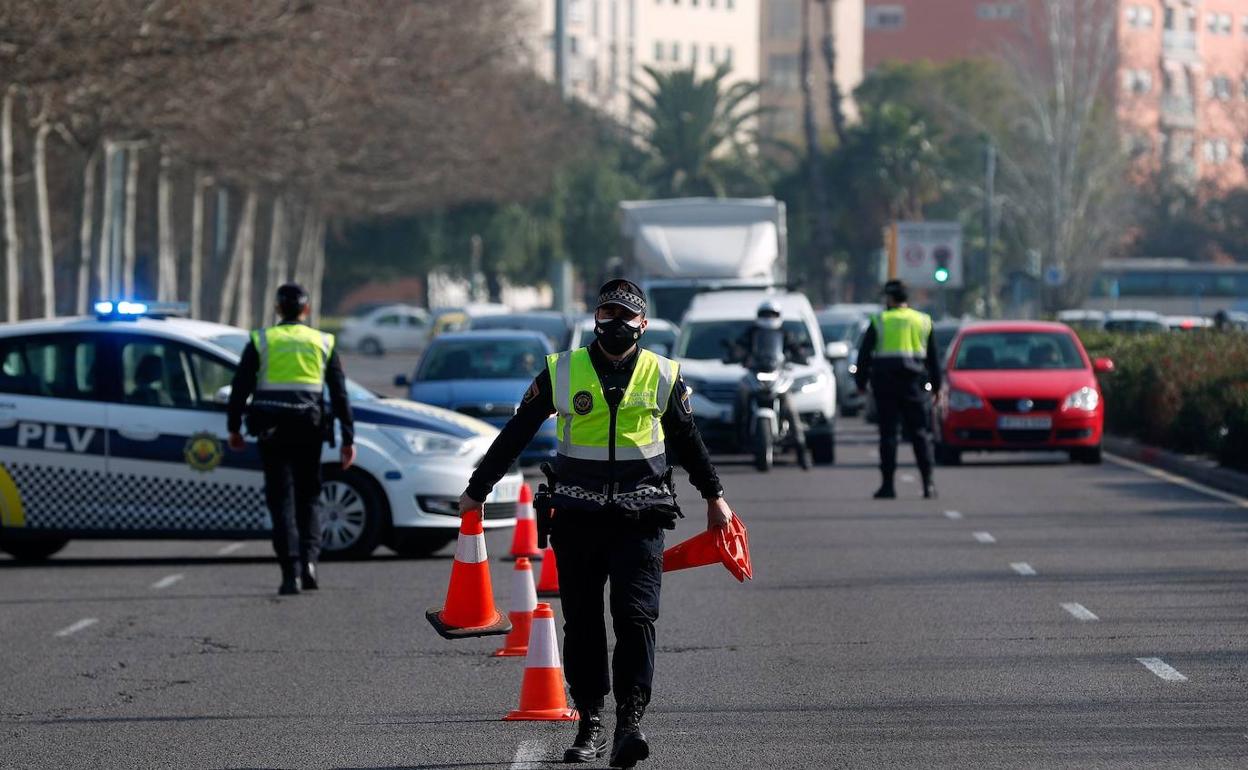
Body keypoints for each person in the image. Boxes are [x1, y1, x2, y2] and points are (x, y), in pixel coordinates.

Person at [458, 279, 733, 768]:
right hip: (577, 518)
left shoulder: (662, 374)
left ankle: (630, 722)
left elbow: (690, 443)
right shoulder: (562, 371)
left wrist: (716, 497)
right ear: (594, 320)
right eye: (607, 315)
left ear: (643, 325)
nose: (615, 325)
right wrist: (477, 490)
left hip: (640, 519)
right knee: (583, 624)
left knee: (635, 620)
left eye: (626, 318)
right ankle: (591, 720)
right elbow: (517, 432)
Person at [227, 283, 356, 595]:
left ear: (277, 309)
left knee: (281, 500)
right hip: (309, 430)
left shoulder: (262, 340)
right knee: (309, 498)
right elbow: (339, 395)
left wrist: (233, 427)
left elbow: (240, 387)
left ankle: (290, 572)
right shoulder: (322, 341)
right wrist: (347, 438)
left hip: (272, 432)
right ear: (306, 310)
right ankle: (310, 563)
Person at [854, 280, 941, 500]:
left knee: (888, 436)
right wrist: (937, 387)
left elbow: (864, 355)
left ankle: (888, 486)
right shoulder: (922, 321)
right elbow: (933, 358)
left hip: (886, 386)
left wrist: (860, 383)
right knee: (920, 435)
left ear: (891, 299)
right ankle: (928, 485)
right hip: (915, 386)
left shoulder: (881, 320)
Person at [728, 300, 809, 448]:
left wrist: (799, 356)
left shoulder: (784, 333)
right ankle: (736, 433)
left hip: (777, 373)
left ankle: (800, 442)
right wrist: (736, 355)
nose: (768, 318)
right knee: (741, 397)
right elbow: (738, 348)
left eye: (772, 314)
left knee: (790, 406)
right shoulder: (751, 332)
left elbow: (796, 349)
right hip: (756, 373)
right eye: (765, 314)